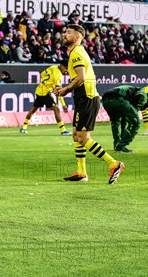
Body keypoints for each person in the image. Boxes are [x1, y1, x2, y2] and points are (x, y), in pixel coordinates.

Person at [53, 24, 124, 184]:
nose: (65, 34)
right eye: (65, 32)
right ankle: (81, 172)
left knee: (83, 138)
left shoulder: (76, 53)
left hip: (87, 98)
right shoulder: (75, 53)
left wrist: (65, 90)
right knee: (76, 136)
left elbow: (81, 78)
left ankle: (114, 163)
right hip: (83, 98)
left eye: (69, 32)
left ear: (77, 37)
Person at [20, 61, 71, 135]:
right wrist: (63, 104)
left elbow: (42, 74)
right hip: (45, 93)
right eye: (66, 68)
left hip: (39, 90)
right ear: (61, 66)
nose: (66, 70)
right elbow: (58, 91)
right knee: (56, 109)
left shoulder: (53, 67)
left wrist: (47, 83)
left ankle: (24, 127)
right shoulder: (58, 75)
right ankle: (63, 130)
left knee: (33, 109)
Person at [101, 85, 147, 154]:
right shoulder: (143, 94)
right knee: (136, 123)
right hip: (118, 99)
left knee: (115, 122)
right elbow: (140, 96)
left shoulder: (130, 89)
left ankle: (117, 145)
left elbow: (124, 120)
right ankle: (121, 147)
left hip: (105, 100)